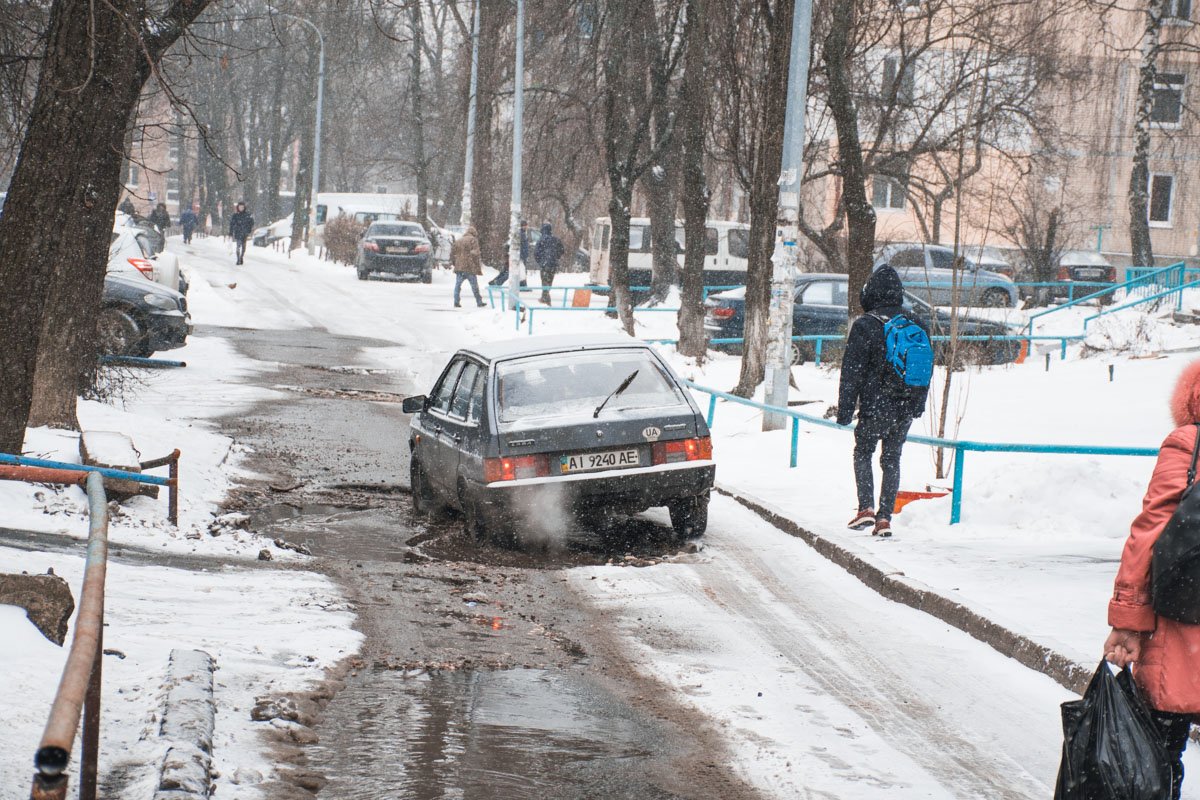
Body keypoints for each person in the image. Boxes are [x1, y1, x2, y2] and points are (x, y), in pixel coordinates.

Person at [1103, 360, 1200, 800]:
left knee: (1160, 756)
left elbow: (1151, 533)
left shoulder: (1188, 444)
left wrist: (1127, 620)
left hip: (1185, 624)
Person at [836, 265, 929, 537]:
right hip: (906, 406)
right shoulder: (915, 322)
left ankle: (865, 508)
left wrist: (844, 411)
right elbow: (924, 368)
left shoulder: (866, 325)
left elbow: (851, 373)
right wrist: (917, 405)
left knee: (863, 451)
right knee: (892, 459)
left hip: (876, 404)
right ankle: (885, 518)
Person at [450, 225, 486, 308]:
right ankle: (479, 302)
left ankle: (456, 301)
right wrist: (475, 263)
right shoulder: (473, 240)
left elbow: (452, 253)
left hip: (459, 267)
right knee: (474, 286)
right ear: (474, 233)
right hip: (469, 267)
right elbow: (476, 253)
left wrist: (454, 262)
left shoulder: (459, 240)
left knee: (457, 285)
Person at [533, 222, 565, 304]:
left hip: (545, 264)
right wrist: (556, 257)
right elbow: (562, 250)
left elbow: (536, 253)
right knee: (549, 281)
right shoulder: (556, 239)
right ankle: (545, 297)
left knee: (544, 281)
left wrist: (540, 261)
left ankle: (546, 299)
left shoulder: (541, 240)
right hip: (553, 264)